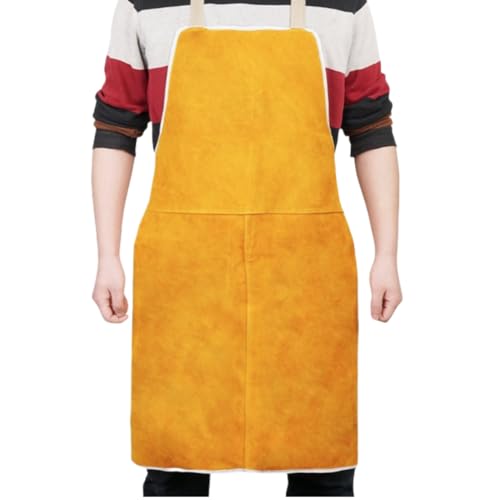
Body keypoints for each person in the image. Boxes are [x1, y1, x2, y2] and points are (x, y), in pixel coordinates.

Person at [91, 0, 402, 497]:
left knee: (321, 465)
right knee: (175, 465)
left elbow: (372, 128)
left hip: (303, 273)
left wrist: (387, 254)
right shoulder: (144, 6)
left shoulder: (344, 7)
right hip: (186, 272)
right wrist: (107, 256)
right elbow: (115, 126)